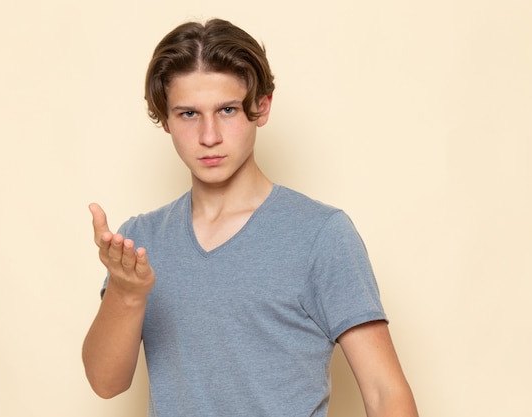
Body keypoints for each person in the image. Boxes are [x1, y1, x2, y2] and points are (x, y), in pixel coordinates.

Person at [82, 18, 418, 417]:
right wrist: (126, 293)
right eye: (189, 114)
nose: (209, 136)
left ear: (261, 107)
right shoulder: (140, 240)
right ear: (165, 119)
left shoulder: (320, 234)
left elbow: (385, 392)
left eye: (226, 110)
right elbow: (106, 384)